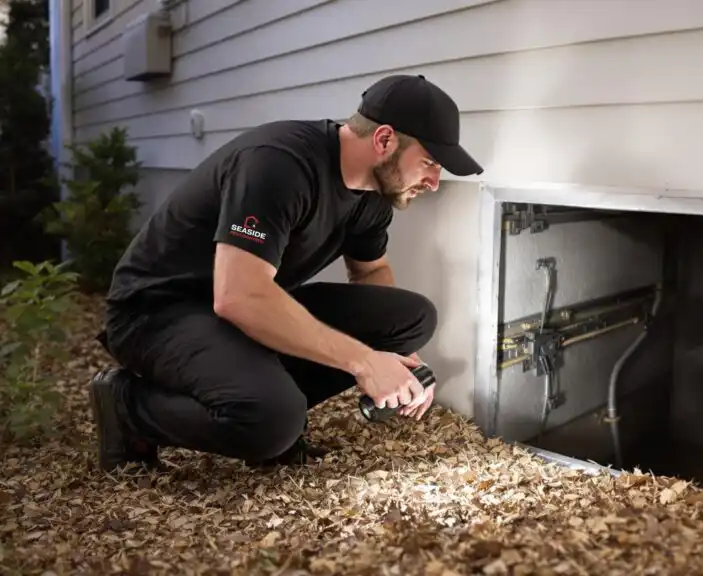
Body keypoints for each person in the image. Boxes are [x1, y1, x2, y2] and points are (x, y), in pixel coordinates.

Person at [88, 74, 483, 473]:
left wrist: (397, 357)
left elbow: (372, 271)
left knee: (410, 319)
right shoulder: (277, 164)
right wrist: (364, 361)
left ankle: (268, 391)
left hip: (238, 308)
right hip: (157, 312)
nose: (435, 182)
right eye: (430, 162)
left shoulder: (372, 195)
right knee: (271, 423)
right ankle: (128, 407)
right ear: (384, 140)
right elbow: (238, 296)